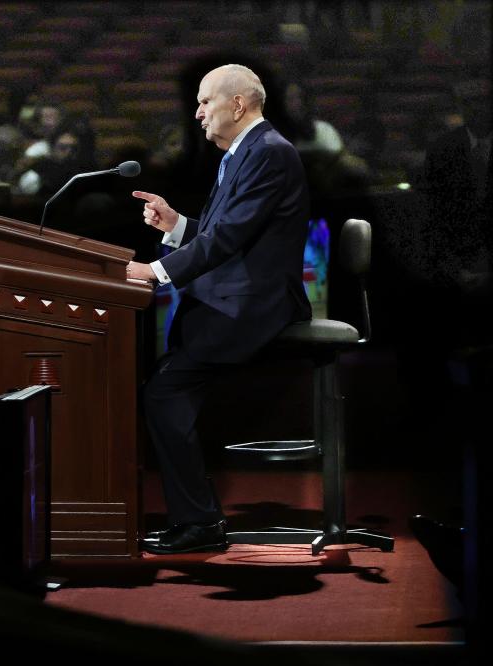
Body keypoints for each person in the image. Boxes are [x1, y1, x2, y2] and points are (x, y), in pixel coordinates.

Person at [125, 64, 311, 555]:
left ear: (238, 105)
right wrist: (175, 226)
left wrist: (156, 272)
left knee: (164, 393)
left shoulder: (268, 153)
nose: (198, 111)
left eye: (207, 101)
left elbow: (229, 239)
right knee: (165, 389)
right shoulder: (244, 152)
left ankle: (200, 523)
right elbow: (220, 233)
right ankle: (196, 516)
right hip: (233, 295)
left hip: (257, 306)